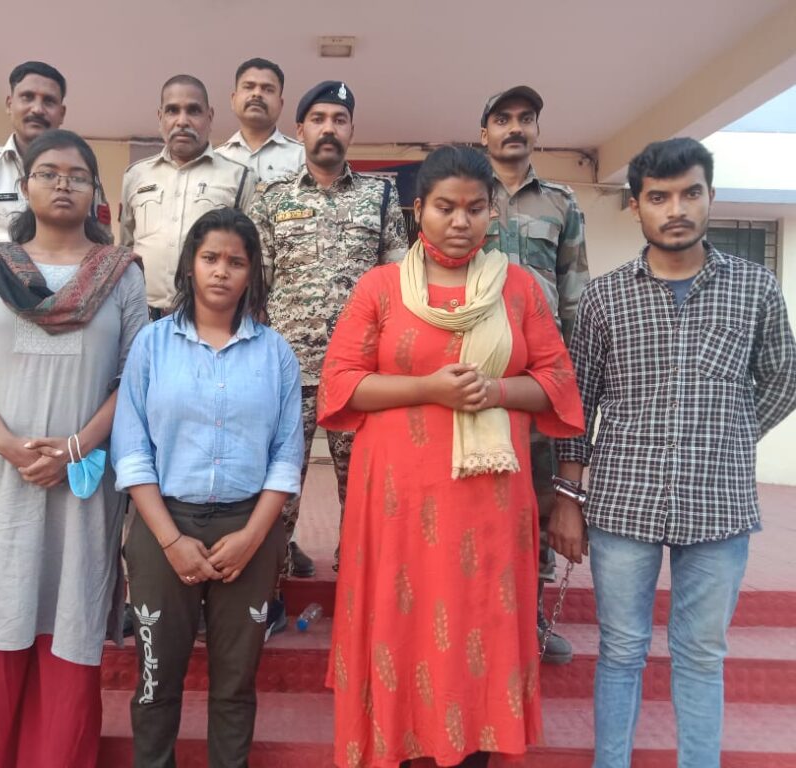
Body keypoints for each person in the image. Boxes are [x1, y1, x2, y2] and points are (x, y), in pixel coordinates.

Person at [318, 146, 584, 768]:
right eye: (445, 207)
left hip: (488, 503)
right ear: (418, 211)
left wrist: (495, 390)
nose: (460, 221)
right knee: (403, 627)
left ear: (492, 213)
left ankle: (471, 751)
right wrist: (428, 388)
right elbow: (340, 384)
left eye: (474, 208)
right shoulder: (381, 287)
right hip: (397, 503)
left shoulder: (518, 288)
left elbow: (557, 383)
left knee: (476, 628)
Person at [550, 137, 796, 768]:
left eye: (691, 193)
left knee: (701, 654)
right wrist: (569, 499)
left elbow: (782, 378)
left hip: (719, 508)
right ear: (636, 205)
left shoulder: (755, 288)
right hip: (623, 505)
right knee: (622, 650)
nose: (676, 209)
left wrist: (730, 436)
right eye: (659, 197)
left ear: (712, 196)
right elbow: (579, 402)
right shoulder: (605, 297)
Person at [0, 129, 148, 767]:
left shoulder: (121, 275)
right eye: (48, 172)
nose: (63, 184)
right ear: (25, 186)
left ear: (95, 191)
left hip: (79, 484)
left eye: (77, 175)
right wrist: (12, 448)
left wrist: (75, 446)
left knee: (66, 637)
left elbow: (136, 380)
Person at [112, 208, 302, 768]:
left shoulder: (275, 353)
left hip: (249, 530)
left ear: (252, 272)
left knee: (236, 686)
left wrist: (251, 538)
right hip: (162, 526)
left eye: (236, 262)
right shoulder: (151, 346)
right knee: (155, 683)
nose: (222, 271)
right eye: (210, 258)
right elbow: (131, 451)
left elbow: (287, 457)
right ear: (190, 265)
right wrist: (171, 541)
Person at [248, 79, 406, 584]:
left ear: (352, 130)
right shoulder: (271, 199)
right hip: (287, 374)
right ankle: (267, 593)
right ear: (300, 130)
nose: (328, 129)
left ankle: (357, 593)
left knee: (361, 491)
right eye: (318, 119)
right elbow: (255, 290)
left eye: (339, 119)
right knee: (277, 491)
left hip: (360, 377)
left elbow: (398, 285)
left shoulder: (380, 195)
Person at [480, 84, 589, 664]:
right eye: (503, 119)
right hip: (478, 371)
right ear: (485, 133)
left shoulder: (561, 204)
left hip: (538, 375)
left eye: (525, 119)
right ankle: (480, 609)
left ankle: (531, 615)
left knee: (538, 497)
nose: (515, 128)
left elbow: (574, 293)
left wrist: (567, 372)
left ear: (537, 131)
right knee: (480, 493)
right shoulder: (468, 193)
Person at [0, 61, 110, 284]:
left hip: (71, 301)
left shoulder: (83, 179)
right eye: (27, 97)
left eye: (49, 101)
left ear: (62, 113)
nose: (37, 109)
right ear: (9, 104)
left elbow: (103, 250)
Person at [121, 74, 255, 319]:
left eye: (193, 111)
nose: (182, 121)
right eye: (173, 111)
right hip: (144, 317)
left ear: (209, 116)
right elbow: (125, 248)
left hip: (209, 319)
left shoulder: (239, 177)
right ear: (160, 117)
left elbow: (252, 254)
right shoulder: (135, 176)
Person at [215, 57, 304, 185]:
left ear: (280, 104)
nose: (257, 93)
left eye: (268, 89)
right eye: (248, 87)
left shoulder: (302, 157)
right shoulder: (216, 159)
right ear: (233, 100)